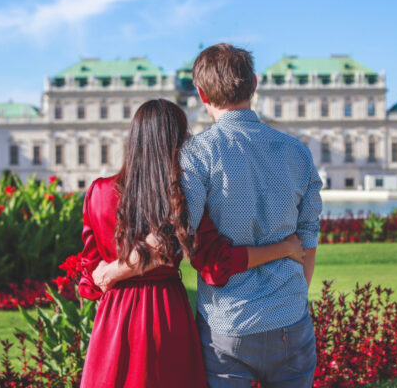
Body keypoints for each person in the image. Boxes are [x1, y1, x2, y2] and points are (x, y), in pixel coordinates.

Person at [77, 99, 307, 388]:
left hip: (115, 316)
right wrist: (284, 249)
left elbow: (89, 278)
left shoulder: (97, 192)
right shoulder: (180, 195)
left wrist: (109, 272)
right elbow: (217, 263)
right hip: (165, 311)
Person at [182, 43, 322, 387]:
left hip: (227, 322)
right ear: (255, 84)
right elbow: (308, 236)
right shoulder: (297, 152)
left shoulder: (197, 155)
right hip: (290, 317)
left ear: (201, 93)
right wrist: (292, 296)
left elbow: (186, 237)